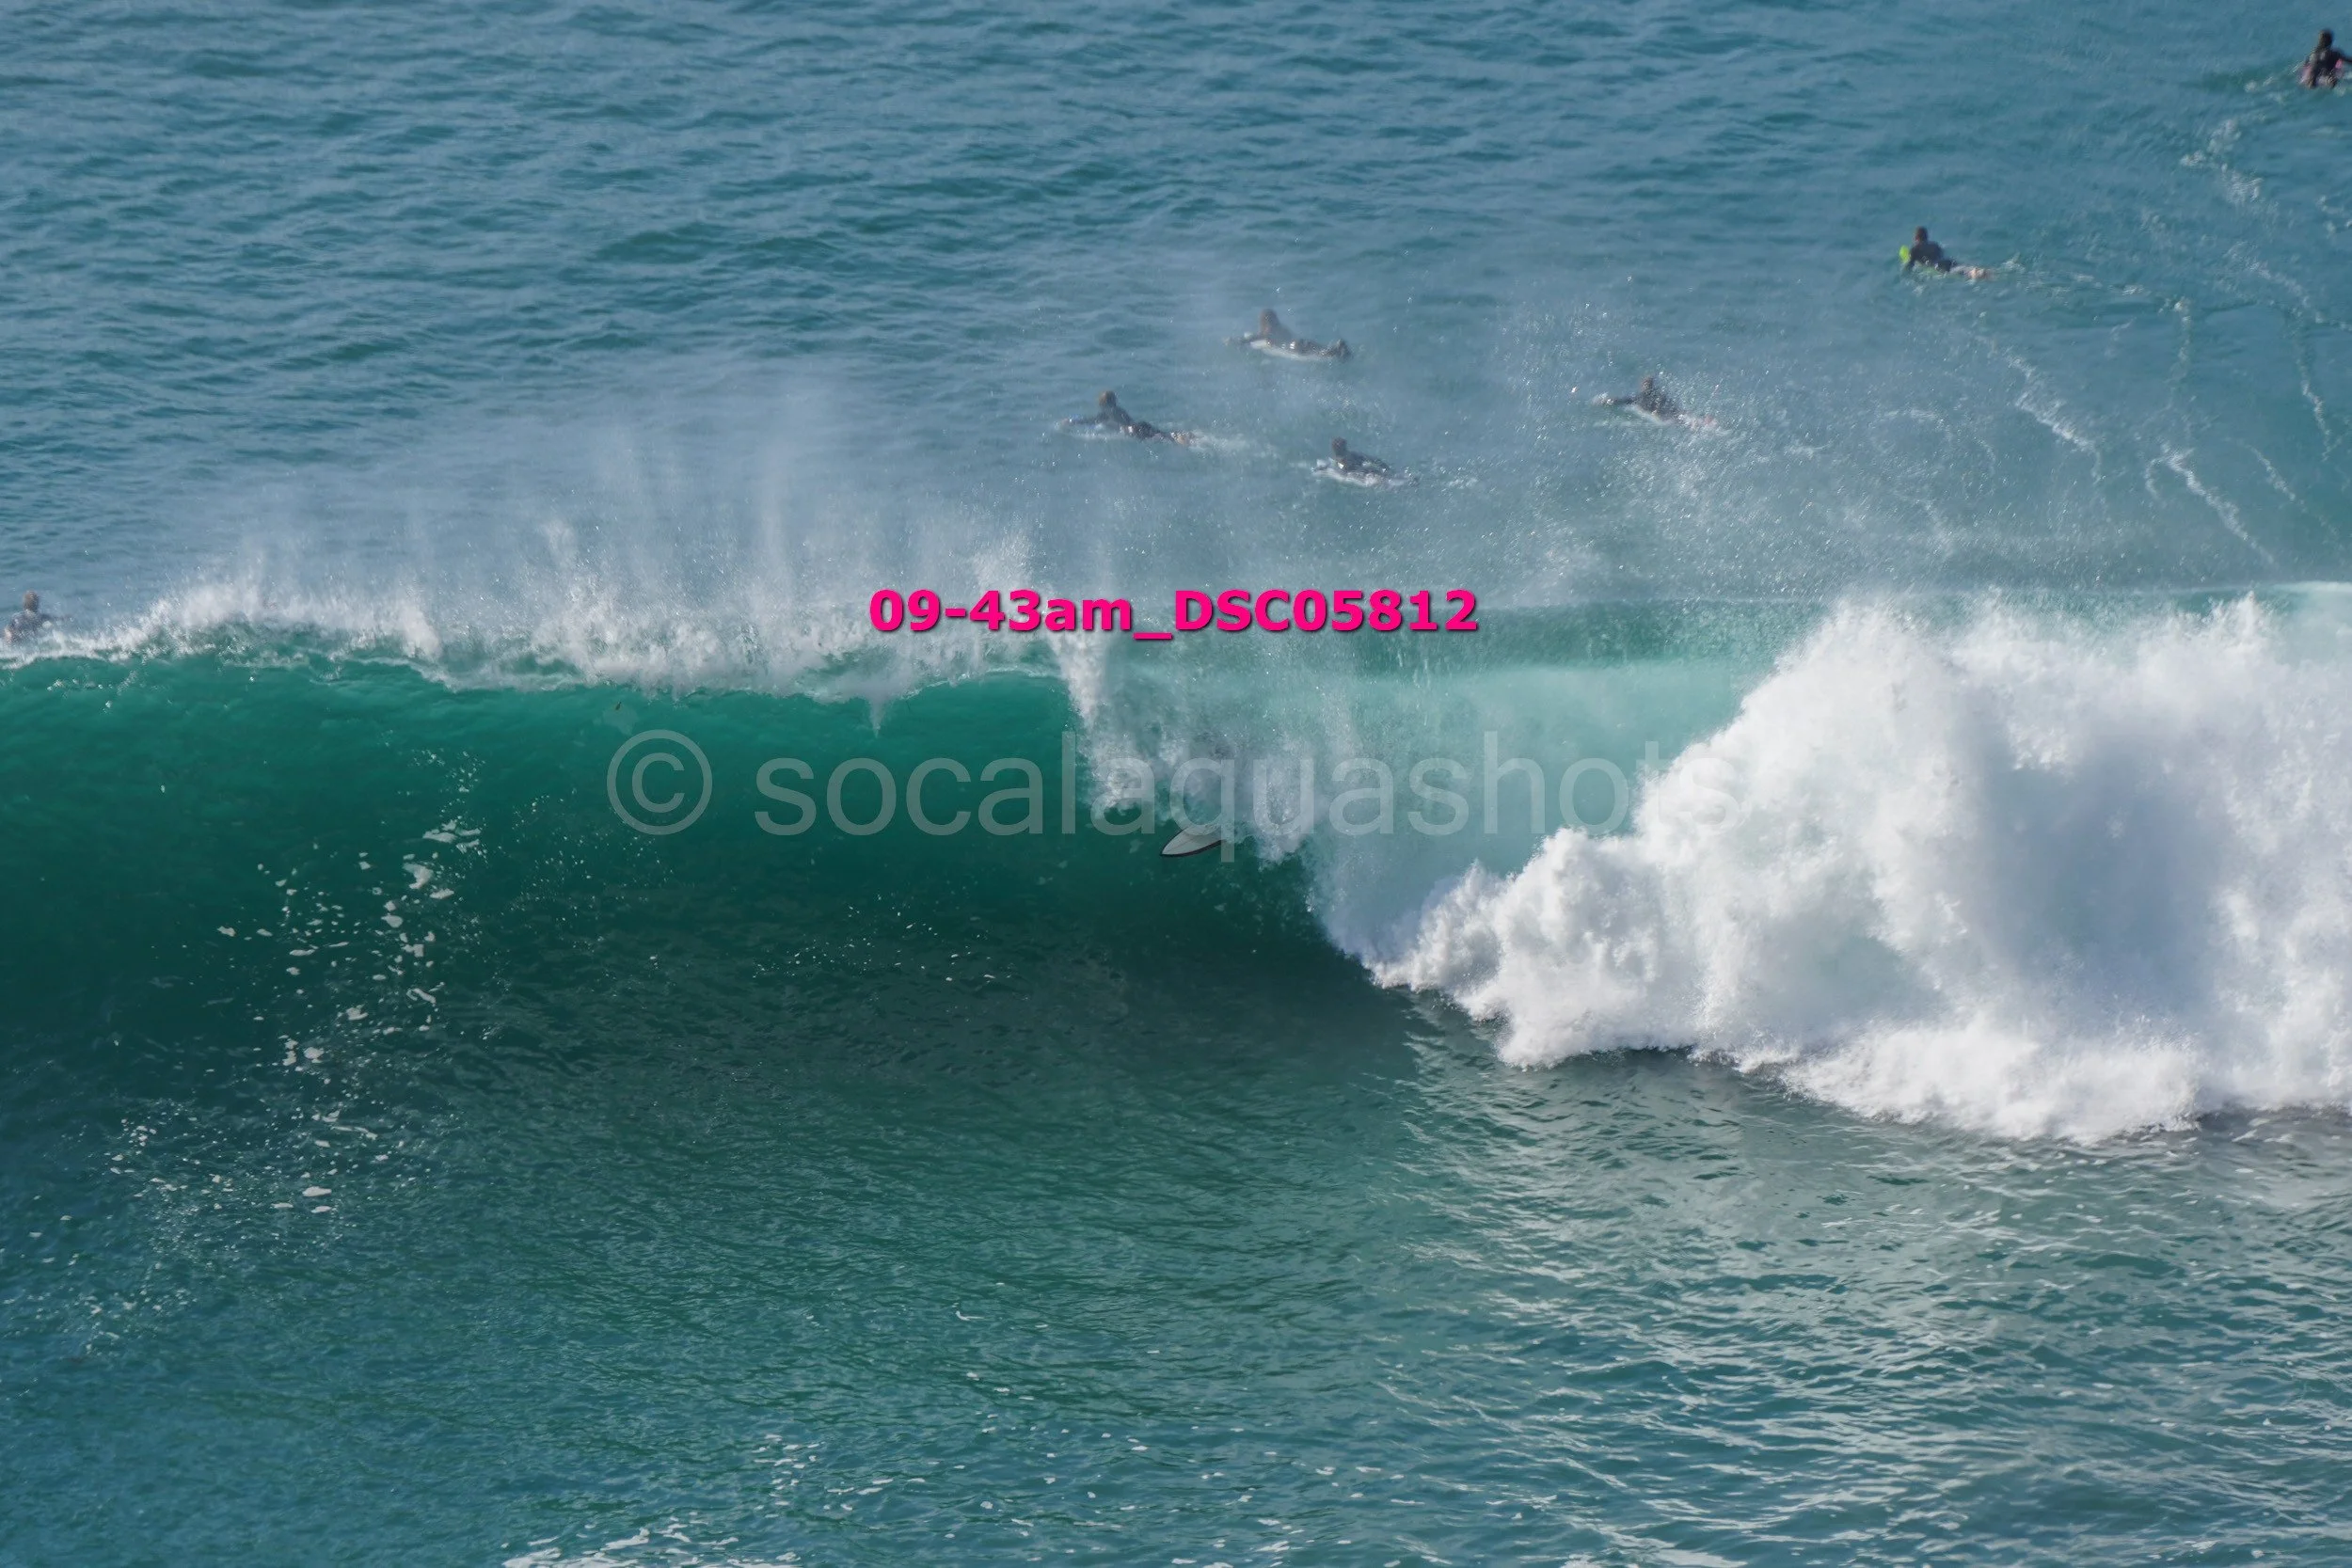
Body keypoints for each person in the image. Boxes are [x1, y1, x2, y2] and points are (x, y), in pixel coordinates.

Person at [1065, 390, 1193, 444]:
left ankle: (1179, 439)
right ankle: (1184, 435)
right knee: (1165, 435)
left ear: (1102, 403)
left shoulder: (1105, 413)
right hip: (1140, 424)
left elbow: (1089, 421)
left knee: (1163, 439)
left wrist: (1071, 421)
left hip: (1132, 431)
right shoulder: (1118, 409)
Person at [1236, 309, 1350, 359]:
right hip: (1301, 341)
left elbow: (1255, 338)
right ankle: (1338, 347)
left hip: (1293, 346)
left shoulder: (1268, 331)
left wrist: (1238, 341)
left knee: (1320, 354)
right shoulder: (1282, 328)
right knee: (1320, 349)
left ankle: (1335, 350)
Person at [1902, 226, 1991, 279]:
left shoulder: (1915, 248)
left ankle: (1975, 273)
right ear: (1927, 237)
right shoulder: (1935, 244)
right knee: (1962, 268)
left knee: (1961, 273)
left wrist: (1906, 269)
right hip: (1947, 261)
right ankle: (1979, 271)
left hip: (1939, 266)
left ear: (1916, 238)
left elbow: (1910, 265)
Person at [1598, 373, 1684, 422]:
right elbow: (1672, 406)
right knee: (1677, 414)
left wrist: (1606, 401)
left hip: (1655, 416)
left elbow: (1622, 400)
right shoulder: (1660, 395)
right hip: (1662, 414)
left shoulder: (1639, 397)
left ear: (1642, 386)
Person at [1327, 437, 1393, 478]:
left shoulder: (1341, 460)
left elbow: (1344, 468)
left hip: (1363, 472)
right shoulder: (1353, 453)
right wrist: (1385, 466)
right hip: (1368, 469)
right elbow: (1371, 459)